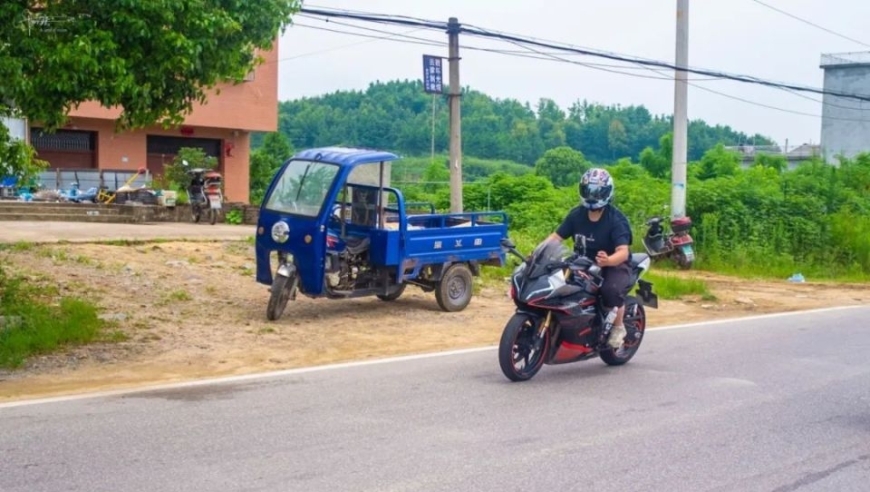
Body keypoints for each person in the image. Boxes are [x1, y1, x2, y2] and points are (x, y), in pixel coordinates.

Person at [543, 167, 633, 349]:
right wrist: (538, 251)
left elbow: (623, 251)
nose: (592, 196)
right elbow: (556, 237)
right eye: (589, 191)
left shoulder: (616, 219)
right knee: (556, 284)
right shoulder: (577, 215)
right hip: (581, 262)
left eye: (597, 192)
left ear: (607, 192)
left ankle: (618, 327)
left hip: (613, 264)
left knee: (611, 290)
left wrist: (608, 260)